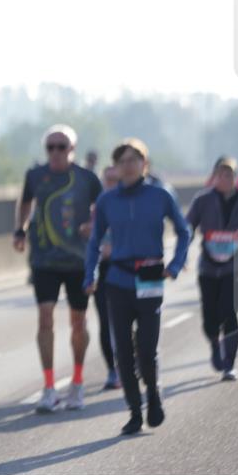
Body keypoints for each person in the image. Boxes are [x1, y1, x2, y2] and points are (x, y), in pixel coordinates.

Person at [84, 138, 191, 435]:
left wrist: (175, 264)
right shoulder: (107, 201)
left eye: (134, 160)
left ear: (144, 164)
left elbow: (184, 231)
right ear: (116, 168)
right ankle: (134, 413)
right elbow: (94, 242)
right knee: (122, 353)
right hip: (117, 279)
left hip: (150, 275)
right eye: (122, 161)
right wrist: (90, 275)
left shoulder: (160, 195)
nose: (128, 166)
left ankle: (153, 394)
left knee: (146, 348)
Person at [14, 124, 102, 412]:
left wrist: (94, 226)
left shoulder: (87, 178)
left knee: (78, 323)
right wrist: (20, 229)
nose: (55, 152)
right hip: (44, 261)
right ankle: (49, 387)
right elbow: (25, 202)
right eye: (50, 147)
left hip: (78, 261)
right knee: (45, 319)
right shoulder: (35, 175)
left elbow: (104, 207)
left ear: (72, 149)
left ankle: (77, 382)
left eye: (61, 147)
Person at [186, 157, 238, 381]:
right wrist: (182, 255)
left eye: (229, 174)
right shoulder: (202, 200)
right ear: (214, 177)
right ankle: (214, 343)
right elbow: (188, 227)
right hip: (208, 268)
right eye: (221, 174)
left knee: (228, 312)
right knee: (210, 316)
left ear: (235, 177)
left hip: (236, 267)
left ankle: (229, 363)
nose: (225, 178)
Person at [94, 165, 121, 390]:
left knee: (128, 320)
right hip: (102, 269)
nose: (111, 184)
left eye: (115, 180)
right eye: (108, 180)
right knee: (105, 321)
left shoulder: (132, 203)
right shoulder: (96, 207)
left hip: (129, 269)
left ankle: (133, 362)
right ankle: (113, 370)